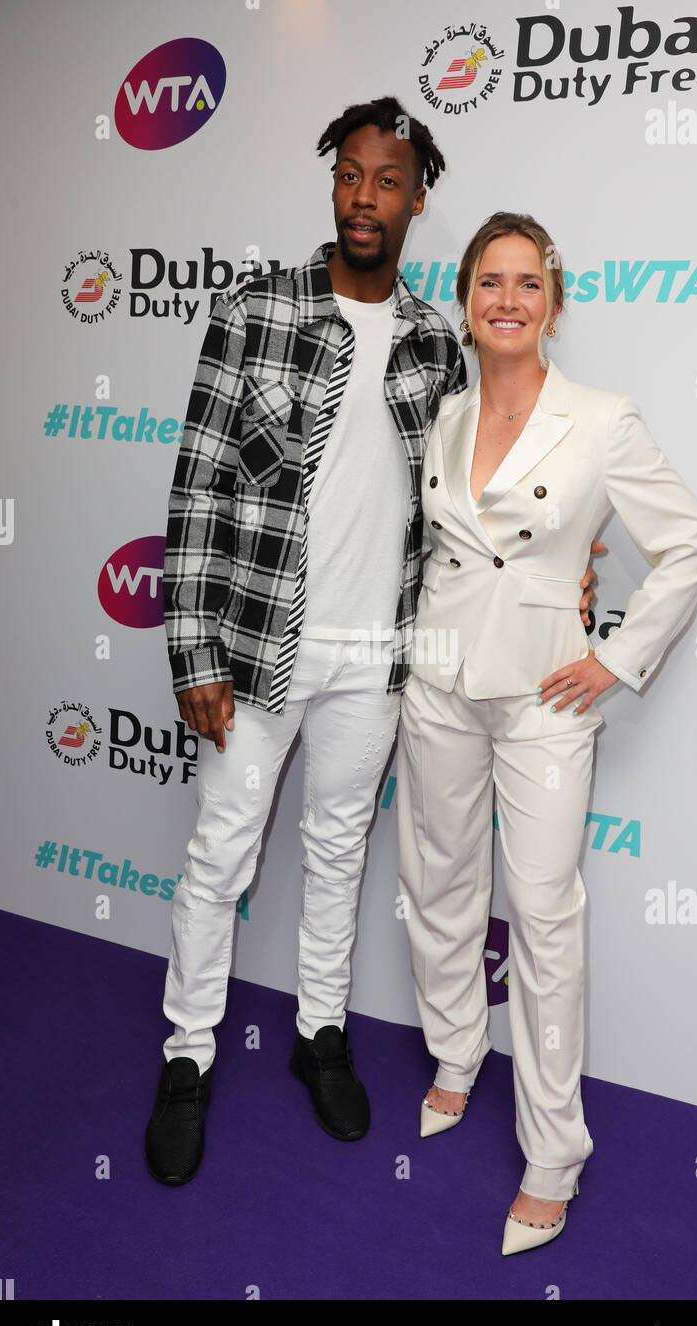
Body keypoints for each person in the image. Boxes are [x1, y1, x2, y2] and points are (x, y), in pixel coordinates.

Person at [145, 95, 601, 1186]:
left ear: (416, 198)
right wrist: (192, 650)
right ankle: (187, 1054)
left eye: (385, 180)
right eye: (348, 174)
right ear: (334, 183)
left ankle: (319, 1034)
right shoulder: (255, 309)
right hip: (256, 646)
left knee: (339, 849)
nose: (363, 195)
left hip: (377, 655)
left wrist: (565, 554)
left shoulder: (438, 347)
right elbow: (197, 483)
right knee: (222, 852)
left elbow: (485, 495)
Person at [396, 211, 697, 1254]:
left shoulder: (600, 417)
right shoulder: (438, 417)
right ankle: (454, 1054)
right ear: (464, 295)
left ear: (554, 299)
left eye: (525, 282)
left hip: (545, 692)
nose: (505, 299)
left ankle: (552, 1155)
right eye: (488, 280)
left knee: (542, 915)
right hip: (440, 673)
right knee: (440, 873)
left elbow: (689, 546)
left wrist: (615, 659)